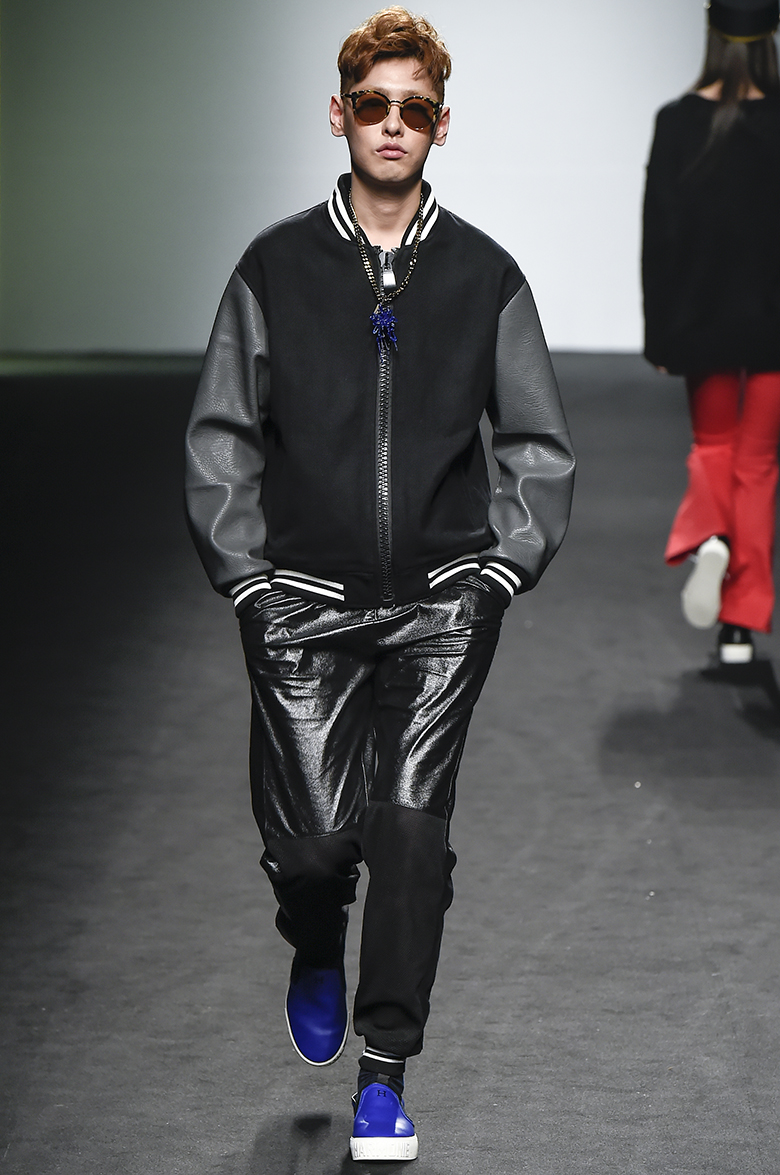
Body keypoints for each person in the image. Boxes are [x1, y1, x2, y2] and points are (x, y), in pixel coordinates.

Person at [185, 6, 574, 1161]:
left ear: (441, 125)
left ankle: (385, 1071)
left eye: (414, 108)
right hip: (299, 602)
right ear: (340, 115)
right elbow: (221, 430)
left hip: (441, 602)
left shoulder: (486, 274)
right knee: (314, 849)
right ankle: (314, 937)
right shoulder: (274, 266)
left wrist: (502, 566)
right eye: (372, 105)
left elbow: (537, 440)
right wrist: (246, 579)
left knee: (410, 833)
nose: (391, 124)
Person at [643, 0, 780, 665]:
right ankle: (739, 626)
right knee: (759, 464)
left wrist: (661, 333)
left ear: (711, 32)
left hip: (704, 320)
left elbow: (660, 234)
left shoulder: (677, 122)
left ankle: (711, 536)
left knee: (715, 447)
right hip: (775, 323)